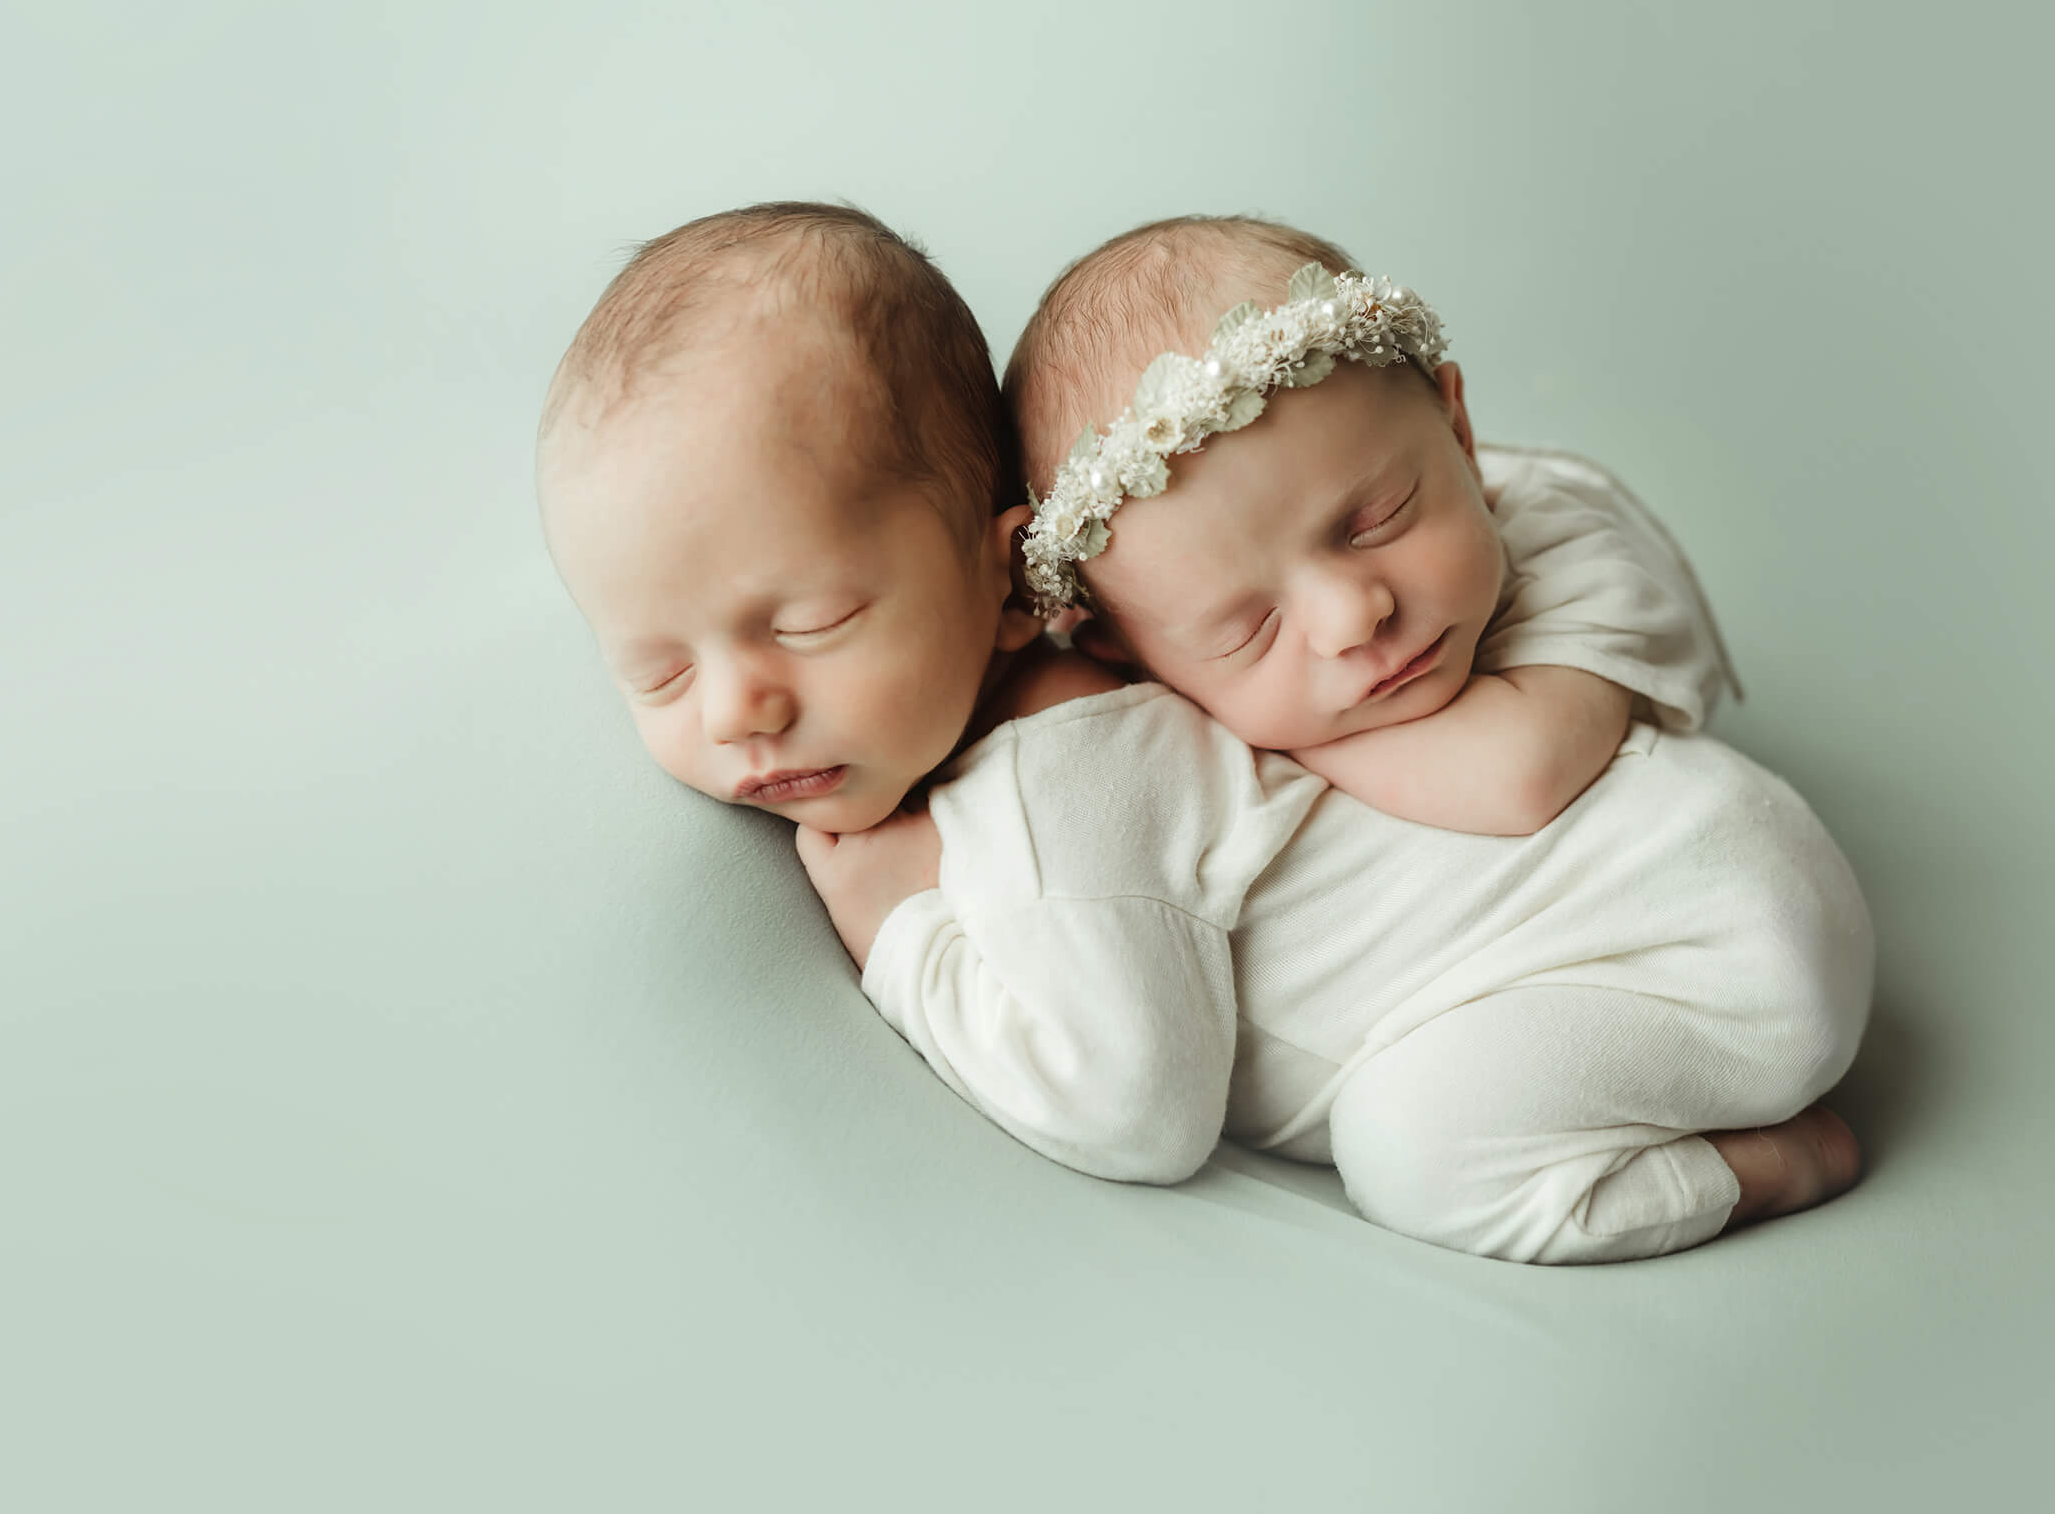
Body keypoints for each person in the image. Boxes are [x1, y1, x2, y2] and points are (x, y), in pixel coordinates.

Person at [539, 202, 1868, 1264]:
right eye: (651, 675)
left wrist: (907, 936)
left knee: (1415, 1151)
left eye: (817, 620)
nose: (736, 711)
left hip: (1683, 950)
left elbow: (1134, 1106)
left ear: (1009, 582)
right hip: (1715, 872)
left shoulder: (1065, 773)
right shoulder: (1157, 622)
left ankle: (1761, 1166)